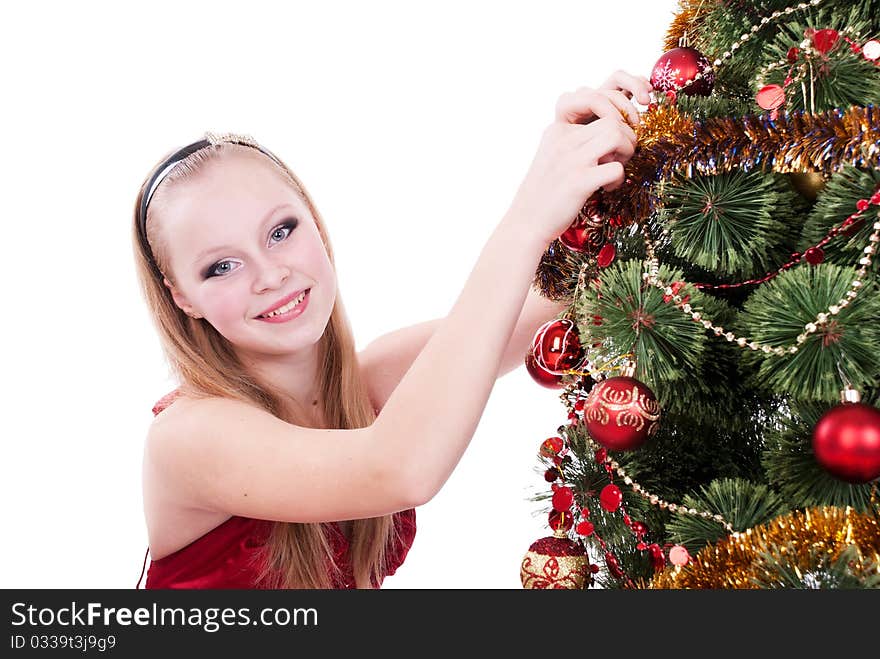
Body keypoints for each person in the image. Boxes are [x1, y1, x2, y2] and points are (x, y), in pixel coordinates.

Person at [133, 70, 653, 589]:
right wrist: (529, 214)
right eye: (221, 266)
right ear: (181, 296)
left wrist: (622, 155)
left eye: (281, 230)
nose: (271, 276)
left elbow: (548, 308)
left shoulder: (373, 381)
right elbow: (401, 468)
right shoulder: (188, 438)